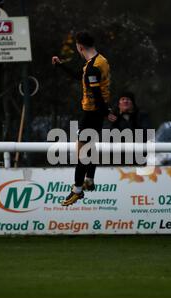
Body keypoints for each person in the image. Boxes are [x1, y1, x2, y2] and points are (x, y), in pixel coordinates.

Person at [52, 31, 111, 206]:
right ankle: (90, 179)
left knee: (82, 152)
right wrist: (61, 65)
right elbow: (80, 76)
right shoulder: (101, 61)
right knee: (90, 148)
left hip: (92, 113)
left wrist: (106, 111)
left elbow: (95, 92)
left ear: (80, 47)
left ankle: (77, 190)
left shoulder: (92, 67)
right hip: (97, 113)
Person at [106, 91, 151, 165]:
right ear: (118, 104)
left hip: (138, 159)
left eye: (128, 99)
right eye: (122, 99)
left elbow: (147, 134)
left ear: (133, 103)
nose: (125, 101)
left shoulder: (142, 116)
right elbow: (107, 134)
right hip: (116, 160)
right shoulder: (112, 117)